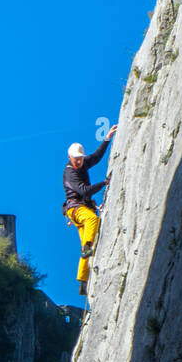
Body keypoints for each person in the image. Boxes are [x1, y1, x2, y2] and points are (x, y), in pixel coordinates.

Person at [63, 126, 117, 295]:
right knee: (93, 220)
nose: (79, 162)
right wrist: (103, 184)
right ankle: (86, 247)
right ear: (69, 158)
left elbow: (96, 157)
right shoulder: (70, 173)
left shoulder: (83, 163)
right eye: (76, 159)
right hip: (75, 209)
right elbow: (84, 191)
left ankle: (83, 282)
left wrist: (107, 138)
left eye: (80, 159)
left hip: (82, 208)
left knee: (88, 244)